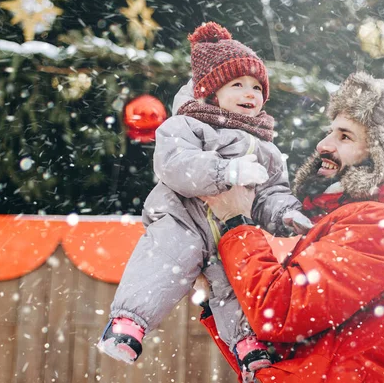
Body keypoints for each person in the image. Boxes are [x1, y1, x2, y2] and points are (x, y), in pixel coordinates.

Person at [199, 71, 384, 383]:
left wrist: (236, 222)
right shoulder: (351, 220)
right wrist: (216, 294)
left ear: (382, 155)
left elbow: (278, 311)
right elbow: (278, 359)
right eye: (330, 131)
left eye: (345, 136)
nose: (323, 144)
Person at [97, 22, 311, 376]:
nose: (250, 93)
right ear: (210, 91)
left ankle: (247, 344)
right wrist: (226, 173)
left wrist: (286, 213)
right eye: (238, 84)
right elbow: (175, 166)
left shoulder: (267, 148)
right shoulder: (188, 126)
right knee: (165, 262)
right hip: (183, 217)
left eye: (257, 87)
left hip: (228, 229)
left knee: (235, 283)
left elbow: (271, 192)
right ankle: (128, 324)